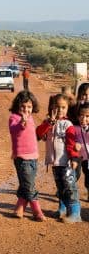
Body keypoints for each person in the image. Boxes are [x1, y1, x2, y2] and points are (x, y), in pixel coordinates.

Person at [36, 94, 81, 223]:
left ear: (67, 109)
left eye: (63, 107)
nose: (60, 110)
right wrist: (49, 122)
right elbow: (39, 133)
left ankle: (75, 212)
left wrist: (74, 159)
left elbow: (72, 143)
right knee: (60, 186)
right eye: (57, 107)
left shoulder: (68, 124)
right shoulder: (48, 122)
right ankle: (62, 209)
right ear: (51, 108)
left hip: (66, 162)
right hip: (55, 163)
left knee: (69, 186)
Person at [9, 90, 46, 221]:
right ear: (17, 105)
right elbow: (14, 131)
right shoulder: (14, 118)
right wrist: (21, 123)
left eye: (29, 107)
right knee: (29, 185)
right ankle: (37, 211)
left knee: (26, 184)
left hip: (33, 157)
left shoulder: (30, 118)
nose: (26, 109)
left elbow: (34, 136)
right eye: (23, 106)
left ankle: (19, 208)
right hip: (22, 158)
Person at [74, 103, 89, 201]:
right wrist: (75, 144)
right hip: (77, 157)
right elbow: (69, 140)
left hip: (88, 158)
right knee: (75, 174)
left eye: (87, 116)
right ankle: (67, 189)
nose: (84, 118)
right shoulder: (74, 128)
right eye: (81, 115)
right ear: (77, 116)